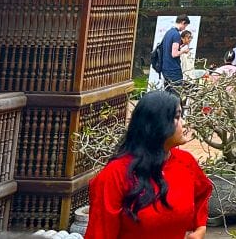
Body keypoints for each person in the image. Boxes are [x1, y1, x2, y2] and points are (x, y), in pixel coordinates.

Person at [85, 90, 211, 239]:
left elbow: (202, 194)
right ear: (158, 124)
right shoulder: (115, 174)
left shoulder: (186, 162)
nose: (184, 123)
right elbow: (100, 233)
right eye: (177, 117)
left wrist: (200, 228)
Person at [158, 15, 191, 93]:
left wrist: (180, 46)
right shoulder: (176, 34)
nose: (185, 28)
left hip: (165, 68)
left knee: (167, 94)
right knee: (176, 94)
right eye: (185, 26)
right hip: (173, 69)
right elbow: (174, 54)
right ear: (183, 22)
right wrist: (183, 50)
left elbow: (168, 49)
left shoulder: (168, 32)